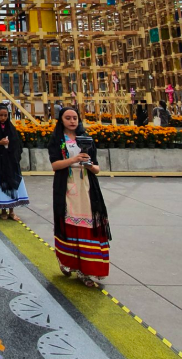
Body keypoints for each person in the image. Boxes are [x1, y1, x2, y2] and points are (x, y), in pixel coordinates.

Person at [48, 107, 112, 288]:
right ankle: (68, 261)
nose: (72, 121)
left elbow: (97, 168)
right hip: (67, 187)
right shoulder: (57, 141)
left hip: (87, 189)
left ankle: (86, 269)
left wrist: (89, 164)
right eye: (67, 118)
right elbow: (55, 165)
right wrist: (74, 160)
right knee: (68, 224)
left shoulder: (87, 140)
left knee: (89, 225)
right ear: (61, 120)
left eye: (75, 117)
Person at [0, 104, 29, 220]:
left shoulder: (11, 128)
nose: (3, 118)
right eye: (1, 115)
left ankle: (11, 211)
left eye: (5, 115)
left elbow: (17, 143)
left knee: (12, 183)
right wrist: (0, 143)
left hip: (11, 161)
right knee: (1, 184)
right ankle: (3, 209)